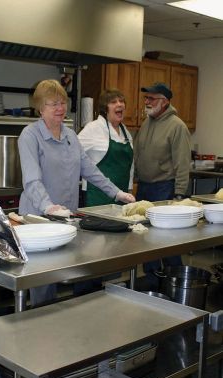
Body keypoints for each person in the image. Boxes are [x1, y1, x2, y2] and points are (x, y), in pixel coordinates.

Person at [18, 79, 135, 306]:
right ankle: (38, 327)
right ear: (40, 108)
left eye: (63, 103)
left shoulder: (71, 135)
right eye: (53, 104)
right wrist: (48, 207)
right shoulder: (30, 136)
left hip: (66, 219)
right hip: (38, 220)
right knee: (41, 283)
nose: (60, 108)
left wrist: (117, 193)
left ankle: (58, 323)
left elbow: (89, 169)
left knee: (59, 273)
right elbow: (32, 180)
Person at [133, 82, 191, 289]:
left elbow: (183, 163)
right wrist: (136, 181)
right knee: (146, 239)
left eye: (152, 98)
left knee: (167, 242)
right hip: (145, 188)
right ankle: (152, 282)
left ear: (165, 102)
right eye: (146, 98)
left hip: (165, 188)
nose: (147, 102)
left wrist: (179, 196)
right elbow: (139, 154)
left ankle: (177, 283)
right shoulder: (147, 122)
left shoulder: (177, 126)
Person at [78, 89, 134, 206]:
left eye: (122, 101)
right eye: (113, 102)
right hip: (98, 196)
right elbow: (72, 152)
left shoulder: (126, 133)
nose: (119, 104)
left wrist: (129, 188)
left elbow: (130, 165)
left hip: (122, 196)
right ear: (105, 108)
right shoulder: (93, 128)